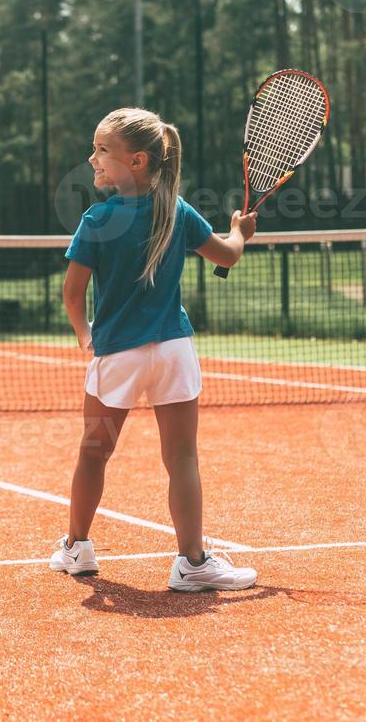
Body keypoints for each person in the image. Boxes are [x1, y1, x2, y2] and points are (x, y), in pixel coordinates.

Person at [49, 108, 259, 592]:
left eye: (103, 151)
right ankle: (192, 562)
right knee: (182, 457)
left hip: (117, 359)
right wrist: (239, 234)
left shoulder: (96, 218)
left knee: (93, 453)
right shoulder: (178, 210)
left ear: (137, 161)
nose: (92, 158)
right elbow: (227, 255)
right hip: (173, 354)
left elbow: (73, 294)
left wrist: (84, 333)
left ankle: (76, 548)